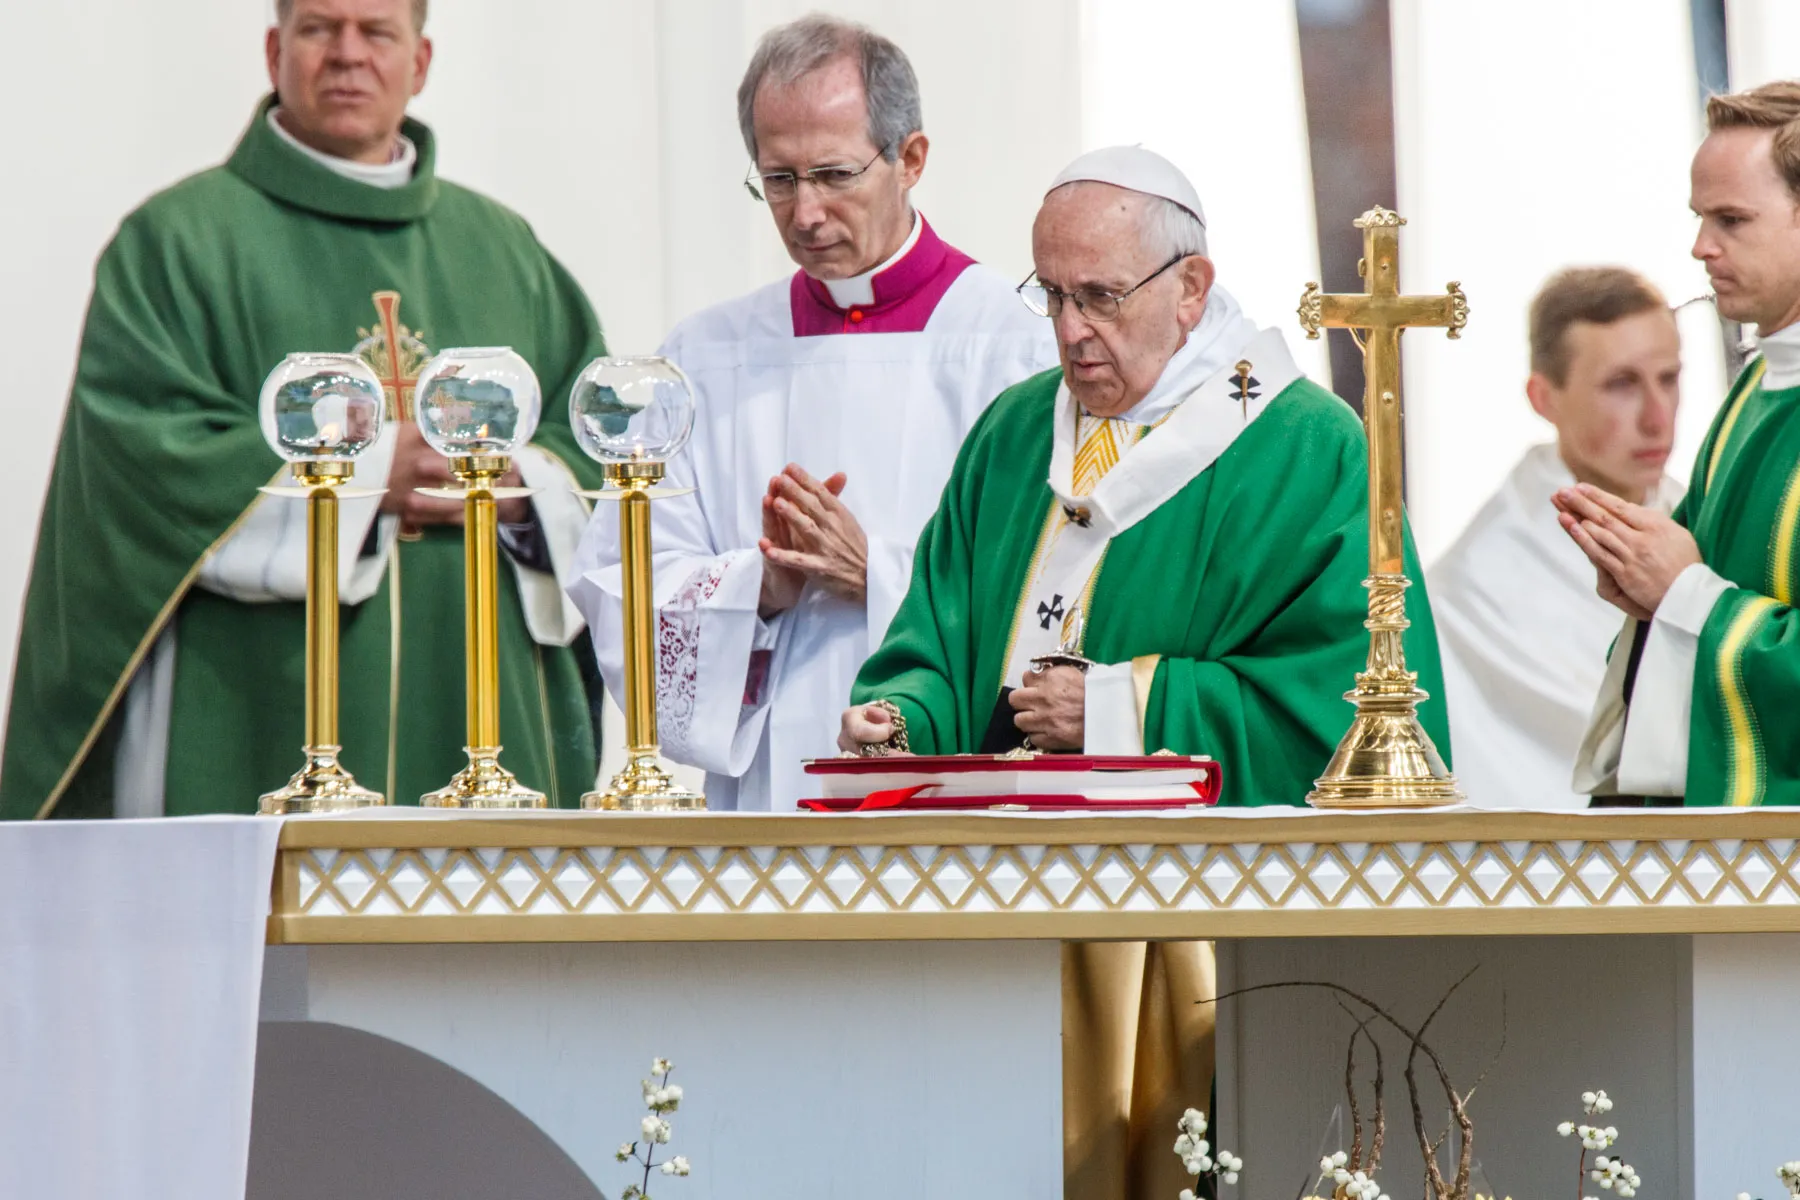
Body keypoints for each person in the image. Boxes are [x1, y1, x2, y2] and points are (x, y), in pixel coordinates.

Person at [838, 147, 1450, 1200]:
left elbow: (1347, 705)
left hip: (1191, 930)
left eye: (1101, 296)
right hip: (1000, 917)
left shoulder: (1302, 446)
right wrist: (906, 710)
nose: (1072, 328)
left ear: (1191, 289)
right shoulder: (1016, 429)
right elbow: (939, 628)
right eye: (1053, 295)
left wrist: (1124, 706)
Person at [0, 0, 607, 819]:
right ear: (273, 50)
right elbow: (142, 462)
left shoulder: (506, 250)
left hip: (482, 696)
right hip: (257, 703)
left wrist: (525, 486)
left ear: (420, 63)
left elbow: (594, 437)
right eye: (321, 28)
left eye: (377, 32)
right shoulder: (179, 243)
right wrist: (359, 476)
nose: (348, 55)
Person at [567, 14, 1054, 811]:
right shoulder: (705, 357)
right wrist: (759, 582)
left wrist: (881, 572)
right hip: (768, 792)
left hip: (961, 786)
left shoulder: (1016, 345)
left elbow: (1065, 585)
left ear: (911, 159)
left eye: (833, 175)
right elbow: (620, 582)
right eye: (780, 179)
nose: (804, 214)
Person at [1566, 80, 1800, 808]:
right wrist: (1645, 594)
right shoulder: (1756, 387)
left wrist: (1684, 593)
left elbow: (1697, 591)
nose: (1701, 247)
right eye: (1701, 218)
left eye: (1732, 219)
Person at [1430, 268, 1682, 809]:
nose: (1658, 418)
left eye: (1669, 378)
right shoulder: (1477, 584)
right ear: (1544, 398)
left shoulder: (1699, 512)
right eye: (1622, 384)